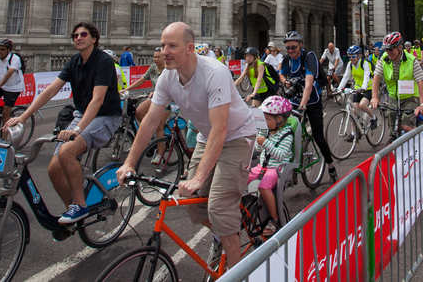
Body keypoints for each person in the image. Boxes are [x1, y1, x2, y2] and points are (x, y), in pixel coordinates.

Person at [117, 22, 257, 269]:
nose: (164, 51)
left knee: (218, 208)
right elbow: (150, 121)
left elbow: (221, 129)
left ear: (191, 48)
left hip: (236, 136)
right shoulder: (167, 77)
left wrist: (198, 178)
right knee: (195, 208)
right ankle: (227, 234)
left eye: (172, 45)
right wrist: (129, 161)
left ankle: (238, 272)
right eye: (162, 45)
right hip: (207, 136)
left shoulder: (215, 72)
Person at [5, 21, 121, 224]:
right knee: (54, 169)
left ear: (94, 38)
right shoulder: (74, 61)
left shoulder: (103, 61)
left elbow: (98, 100)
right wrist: (23, 116)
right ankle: (73, 211)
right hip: (83, 115)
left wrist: (77, 129)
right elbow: (50, 90)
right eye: (75, 35)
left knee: (67, 151)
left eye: (83, 34)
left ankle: (80, 205)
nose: (78, 38)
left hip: (105, 116)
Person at [279, 31, 338, 183]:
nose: (290, 50)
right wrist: (286, 81)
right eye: (288, 48)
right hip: (294, 100)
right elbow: (281, 74)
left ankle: (331, 166)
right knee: (285, 132)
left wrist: (302, 107)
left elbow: (309, 85)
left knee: (319, 138)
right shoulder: (288, 59)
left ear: (301, 45)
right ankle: (290, 165)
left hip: (311, 101)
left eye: (293, 47)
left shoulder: (309, 57)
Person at [249, 95, 295, 232]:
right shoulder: (268, 131)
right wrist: (260, 139)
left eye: (267, 119)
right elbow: (258, 150)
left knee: (263, 187)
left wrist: (266, 142)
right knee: (240, 177)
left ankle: (273, 219)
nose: (265, 122)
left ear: (279, 119)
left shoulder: (287, 135)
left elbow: (280, 156)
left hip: (277, 169)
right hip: (262, 166)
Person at [372, 32, 423, 132]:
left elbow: (420, 81)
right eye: (386, 49)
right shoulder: (384, 59)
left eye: (391, 49)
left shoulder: (411, 60)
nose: (388, 52)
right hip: (393, 97)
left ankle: (419, 141)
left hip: (409, 98)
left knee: (406, 126)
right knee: (392, 130)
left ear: (400, 47)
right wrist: (374, 98)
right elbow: (376, 77)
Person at [128, 47, 170, 162]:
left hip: (168, 100)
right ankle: (150, 130)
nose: (156, 59)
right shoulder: (152, 69)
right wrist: (126, 89)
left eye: (158, 57)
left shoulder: (168, 70)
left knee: (159, 126)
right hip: (156, 97)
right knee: (138, 112)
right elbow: (141, 80)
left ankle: (160, 155)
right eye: (154, 57)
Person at [336, 45, 378, 130]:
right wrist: (339, 88)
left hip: (368, 88)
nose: (351, 58)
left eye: (353, 56)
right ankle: (353, 133)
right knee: (354, 112)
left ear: (358, 56)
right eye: (349, 56)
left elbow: (366, 76)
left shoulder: (364, 63)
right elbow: (346, 77)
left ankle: (373, 118)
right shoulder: (350, 65)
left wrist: (363, 88)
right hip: (357, 89)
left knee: (363, 105)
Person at [0, 39, 24, 128]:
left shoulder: (15, 59)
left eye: (2, 49)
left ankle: (4, 136)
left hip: (13, 88)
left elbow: (8, 75)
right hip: (2, 85)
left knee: (6, 112)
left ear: (8, 50)